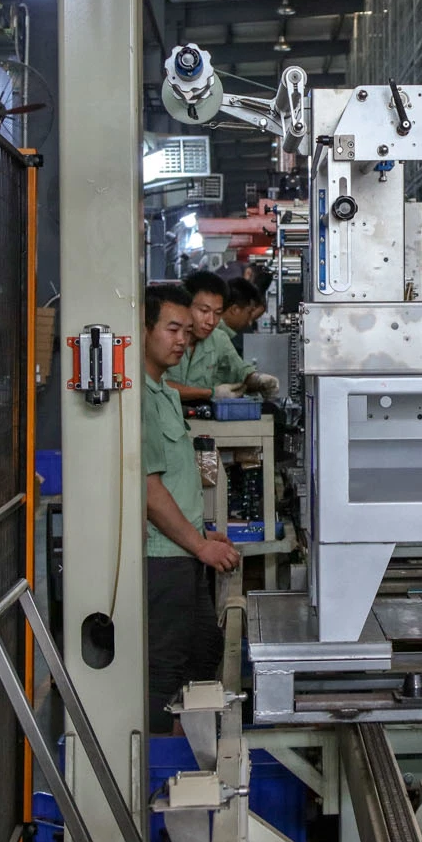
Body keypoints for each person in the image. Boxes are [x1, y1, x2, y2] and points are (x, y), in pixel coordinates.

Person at [142, 285, 240, 734]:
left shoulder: (163, 391)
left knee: (204, 647)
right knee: (164, 668)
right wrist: (199, 544)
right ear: (143, 331)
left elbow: (175, 482)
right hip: (162, 557)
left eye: (187, 331)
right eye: (172, 328)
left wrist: (202, 532)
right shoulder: (139, 398)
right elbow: (148, 489)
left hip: (183, 549)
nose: (182, 340)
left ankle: (193, 749)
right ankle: (153, 769)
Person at [170, 269, 278, 400]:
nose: (211, 321)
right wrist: (211, 393)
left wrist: (259, 380)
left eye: (217, 313)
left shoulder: (219, 339)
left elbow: (241, 371)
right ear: (185, 306)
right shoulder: (166, 339)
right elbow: (157, 385)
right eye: (204, 311)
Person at [221, 278, 265, 353]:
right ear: (235, 310)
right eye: (249, 312)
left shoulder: (227, 335)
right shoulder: (218, 337)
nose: (249, 320)